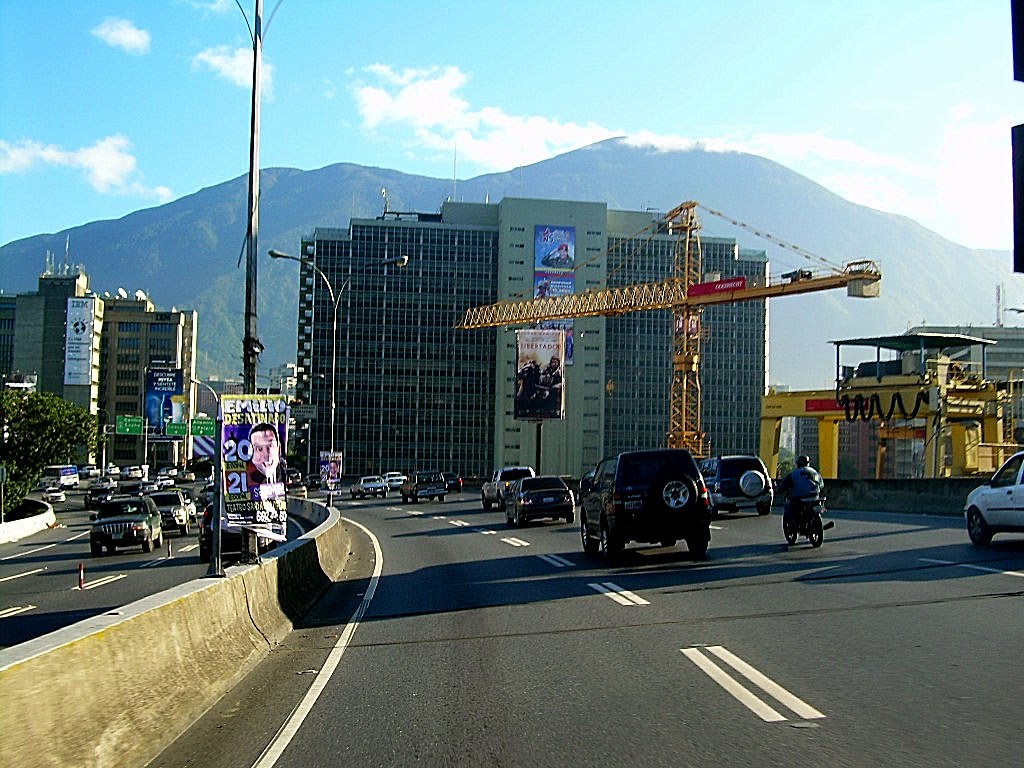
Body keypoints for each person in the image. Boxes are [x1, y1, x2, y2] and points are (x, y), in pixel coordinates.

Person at [777, 455, 824, 526]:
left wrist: (778, 490)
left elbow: (783, 486)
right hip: (814, 497)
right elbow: (821, 485)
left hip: (799, 498)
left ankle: (793, 524)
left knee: (788, 506)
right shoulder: (815, 473)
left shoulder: (794, 474)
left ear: (798, 463)